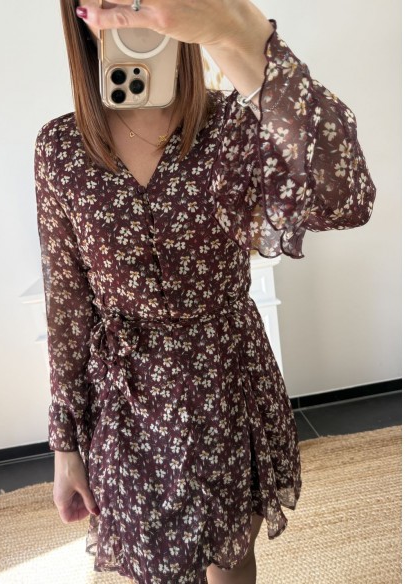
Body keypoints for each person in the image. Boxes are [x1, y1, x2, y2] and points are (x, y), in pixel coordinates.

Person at [34, 1, 377, 583]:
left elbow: (345, 198)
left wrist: (240, 32)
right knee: (155, 563)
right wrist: (65, 445)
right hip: (129, 404)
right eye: (110, 4)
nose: (131, 16)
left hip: (227, 381)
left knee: (231, 558)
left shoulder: (235, 125)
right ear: (80, 15)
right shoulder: (61, 150)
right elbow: (66, 305)